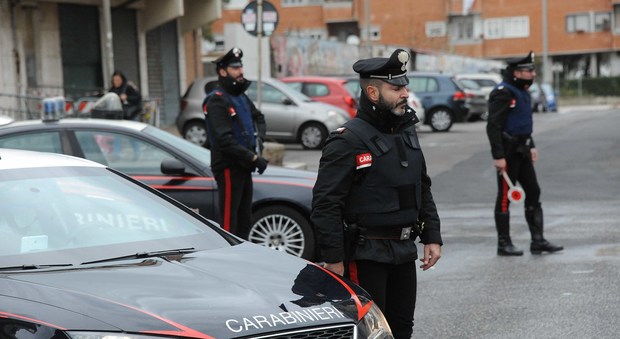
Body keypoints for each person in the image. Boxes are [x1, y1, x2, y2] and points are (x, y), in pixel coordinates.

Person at [311, 49, 442, 339]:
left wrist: (432, 235)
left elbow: (422, 186)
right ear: (372, 92)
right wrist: (334, 258)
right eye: (396, 88)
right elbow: (325, 204)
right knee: (371, 332)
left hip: (404, 251)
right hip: (366, 253)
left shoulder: (407, 132)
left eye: (404, 86)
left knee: (402, 329)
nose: (405, 93)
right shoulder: (347, 141)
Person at [486, 51, 564, 256]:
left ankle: (537, 240)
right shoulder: (503, 92)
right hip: (508, 152)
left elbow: (523, 124)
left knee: (534, 191)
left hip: (523, 150)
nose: (532, 74)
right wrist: (498, 156)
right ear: (516, 72)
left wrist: (532, 145)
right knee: (505, 197)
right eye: (528, 71)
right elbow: (493, 126)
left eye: (532, 70)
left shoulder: (523, 91)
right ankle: (504, 243)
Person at [203, 47, 268, 236]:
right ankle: (230, 261)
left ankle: (244, 259)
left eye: (240, 67)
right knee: (229, 222)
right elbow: (224, 140)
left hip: (244, 165)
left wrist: (259, 142)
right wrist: (254, 159)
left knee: (244, 219)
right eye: (235, 68)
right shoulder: (217, 100)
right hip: (229, 166)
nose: (240, 71)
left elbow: (259, 117)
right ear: (222, 72)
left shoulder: (239, 95)